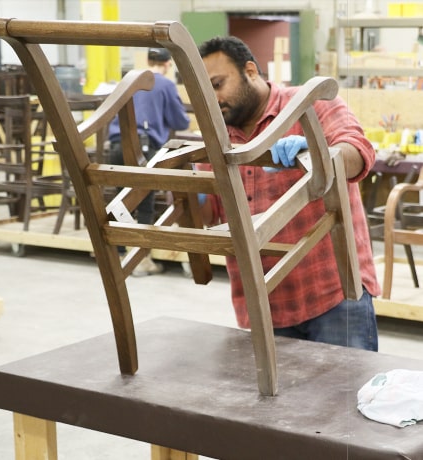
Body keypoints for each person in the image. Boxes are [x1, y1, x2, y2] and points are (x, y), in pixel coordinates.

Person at [197, 36, 381, 351]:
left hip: (333, 293)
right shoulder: (217, 138)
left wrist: (321, 152)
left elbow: (358, 152)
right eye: (203, 92)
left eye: (217, 84)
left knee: (345, 394)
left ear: (251, 71)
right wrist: (186, 192)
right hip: (265, 304)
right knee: (281, 401)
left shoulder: (310, 104)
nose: (212, 98)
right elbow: (207, 214)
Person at [108, 47, 190, 276]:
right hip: (144, 149)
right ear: (167, 64)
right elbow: (180, 121)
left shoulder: (128, 80)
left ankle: (121, 253)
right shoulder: (164, 84)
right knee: (145, 201)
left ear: (148, 60)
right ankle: (141, 260)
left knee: (120, 201)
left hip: (115, 146)